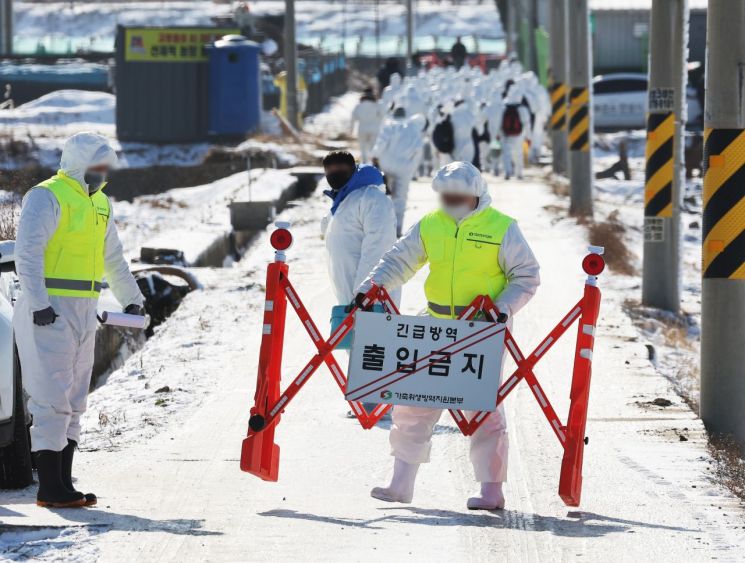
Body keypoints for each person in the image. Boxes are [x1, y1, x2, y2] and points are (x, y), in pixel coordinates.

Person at [355, 161, 540, 510]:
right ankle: (400, 483)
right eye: (446, 197)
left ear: (476, 195)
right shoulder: (430, 224)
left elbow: (526, 276)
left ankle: (491, 489)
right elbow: (400, 260)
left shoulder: (502, 228)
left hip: (482, 328)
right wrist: (371, 288)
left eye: (459, 197)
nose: (452, 203)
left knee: (480, 405)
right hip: (436, 325)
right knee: (414, 401)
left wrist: (502, 308)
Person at [14, 132, 144, 508]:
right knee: (51, 396)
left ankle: (63, 484)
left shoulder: (101, 204)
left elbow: (114, 259)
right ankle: (49, 488)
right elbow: (28, 251)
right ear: (80, 163)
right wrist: (38, 301)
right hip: (49, 308)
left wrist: (133, 301)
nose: (103, 174)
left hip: (86, 307)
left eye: (106, 168)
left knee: (74, 398)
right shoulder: (46, 196)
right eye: (97, 167)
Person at [320, 150, 398, 305]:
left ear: (353, 169)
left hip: (371, 300)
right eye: (330, 170)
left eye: (340, 168)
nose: (334, 173)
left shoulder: (372, 198)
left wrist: (365, 291)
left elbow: (378, 246)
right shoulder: (341, 202)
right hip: (351, 300)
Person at [371, 108, 426, 235]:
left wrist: (374, 155)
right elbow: (418, 153)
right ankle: (397, 229)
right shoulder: (415, 131)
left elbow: (381, 143)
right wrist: (411, 169)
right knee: (400, 198)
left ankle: (381, 227)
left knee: (382, 195)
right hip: (404, 168)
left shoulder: (390, 125)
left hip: (386, 164)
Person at [500, 85, 531, 180]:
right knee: (518, 153)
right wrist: (528, 136)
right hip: (519, 134)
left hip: (506, 135)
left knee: (506, 154)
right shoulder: (522, 108)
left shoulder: (504, 106)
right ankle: (519, 173)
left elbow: (499, 122)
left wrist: (499, 134)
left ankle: (508, 172)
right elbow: (527, 124)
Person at [351, 88, 385, 163]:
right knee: (373, 148)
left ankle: (364, 164)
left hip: (362, 129)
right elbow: (382, 116)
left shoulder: (359, 106)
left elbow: (353, 118)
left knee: (363, 149)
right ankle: (373, 165)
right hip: (374, 129)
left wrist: (351, 130)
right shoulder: (377, 105)